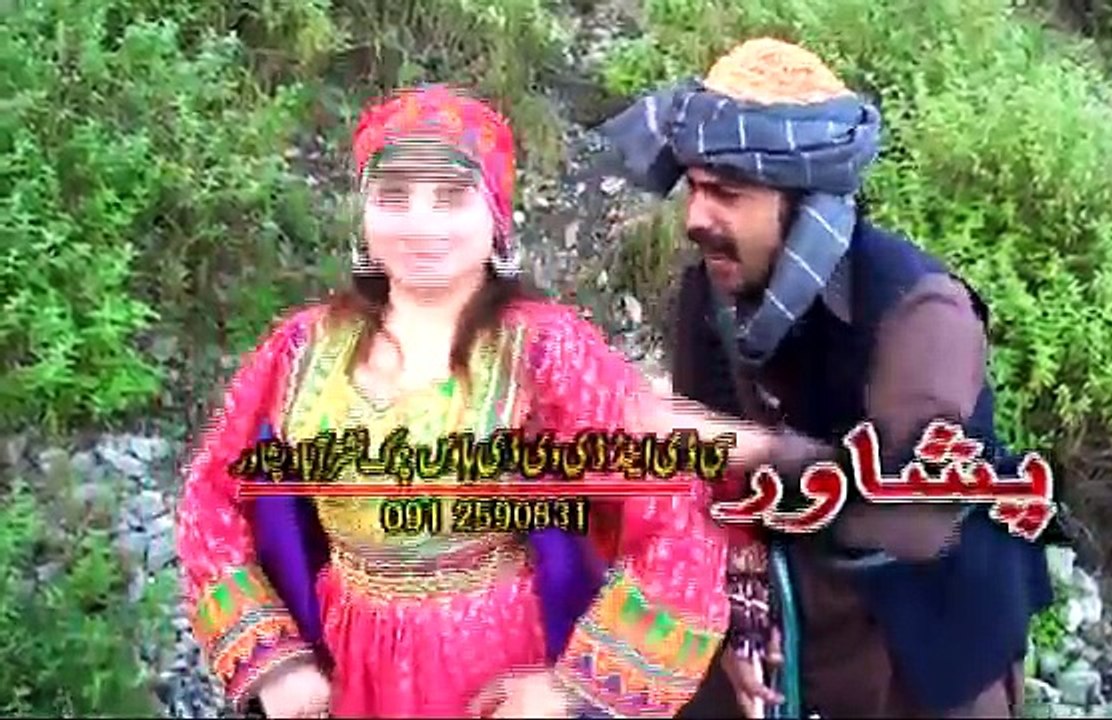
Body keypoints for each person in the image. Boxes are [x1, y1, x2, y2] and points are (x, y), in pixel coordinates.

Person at [175, 84, 815, 719]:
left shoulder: (544, 351)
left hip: (489, 670)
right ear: (364, 214)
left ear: (495, 217)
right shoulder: (300, 348)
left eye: (449, 198)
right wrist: (276, 663)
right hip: (345, 668)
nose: (420, 224)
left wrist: (572, 688)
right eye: (393, 197)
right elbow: (212, 495)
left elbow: (671, 506)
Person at [600, 38, 1056, 718]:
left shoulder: (920, 312)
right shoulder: (713, 290)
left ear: (805, 205)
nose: (696, 218)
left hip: (923, 640)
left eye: (727, 194)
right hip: (782, 599)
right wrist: (736, 608)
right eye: (694, 188)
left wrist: (760, 450)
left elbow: (913, 519)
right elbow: (709, 483)